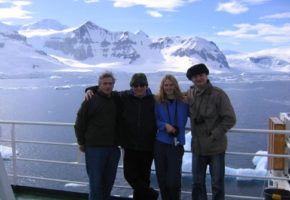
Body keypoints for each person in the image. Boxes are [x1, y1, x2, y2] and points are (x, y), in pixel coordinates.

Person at [85, 73, 159, 200]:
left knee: (143, 179)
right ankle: (151, 194)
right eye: (135, 85)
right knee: (129, 175)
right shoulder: (124, 97)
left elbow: (172, 94)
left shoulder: (153, 99)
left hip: (147, 146)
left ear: (147, 86)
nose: (139, 88)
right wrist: (90, 89)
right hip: (130, 146)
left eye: (142, 85)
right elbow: (107, 90)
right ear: (132, 86)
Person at [186, 64, 236, 200]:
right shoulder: (189, 94)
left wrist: (214, 135)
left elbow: (230, 119)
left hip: (215, 147)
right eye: (195, 77)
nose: (198, 79)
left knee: (217, 184)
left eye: (201, 75)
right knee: (197, 183)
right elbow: (171, 98)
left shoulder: (218, 94)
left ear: (206, 76)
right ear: (191, 79)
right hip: (197, 148)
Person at [74, 71, 121, 200]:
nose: (108, 86)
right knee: (95, 185)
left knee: (108, 184)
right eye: (105, 83)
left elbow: (134, 92)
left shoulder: (116, 98)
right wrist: (82, 143)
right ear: (99, 85)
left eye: (110, 83)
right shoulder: (90, 100)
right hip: (95, 149)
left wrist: (90, 89)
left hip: (112, 149)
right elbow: (79, 124)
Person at [154, 74, 188, 200]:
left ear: (175, 85)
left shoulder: (184, 101)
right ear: (163, 86)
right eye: (166, 85)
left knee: (173, 182)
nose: (168, 87)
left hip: (176, 144)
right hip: (161, 143)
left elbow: (197, 112)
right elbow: (154, 120)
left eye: (171, 84)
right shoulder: (157, 101)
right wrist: (164, 125)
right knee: (162, 179)